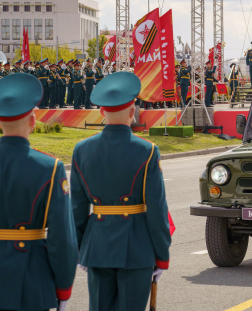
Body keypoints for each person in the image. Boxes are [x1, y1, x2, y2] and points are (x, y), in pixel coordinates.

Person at [71, 72, 171, 310]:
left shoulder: (81, 150)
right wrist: (162, 256)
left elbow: (76, 209)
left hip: (97, 247)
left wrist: (81, 249)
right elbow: (157, 209)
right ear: (132, 110)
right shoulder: (147, 150)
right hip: (137, 247)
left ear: (102, 112)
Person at [0, 73, 78, 311]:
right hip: (30, 279)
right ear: (33, 121)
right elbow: (62, 237)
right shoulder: (48, 168)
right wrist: (64, 288)